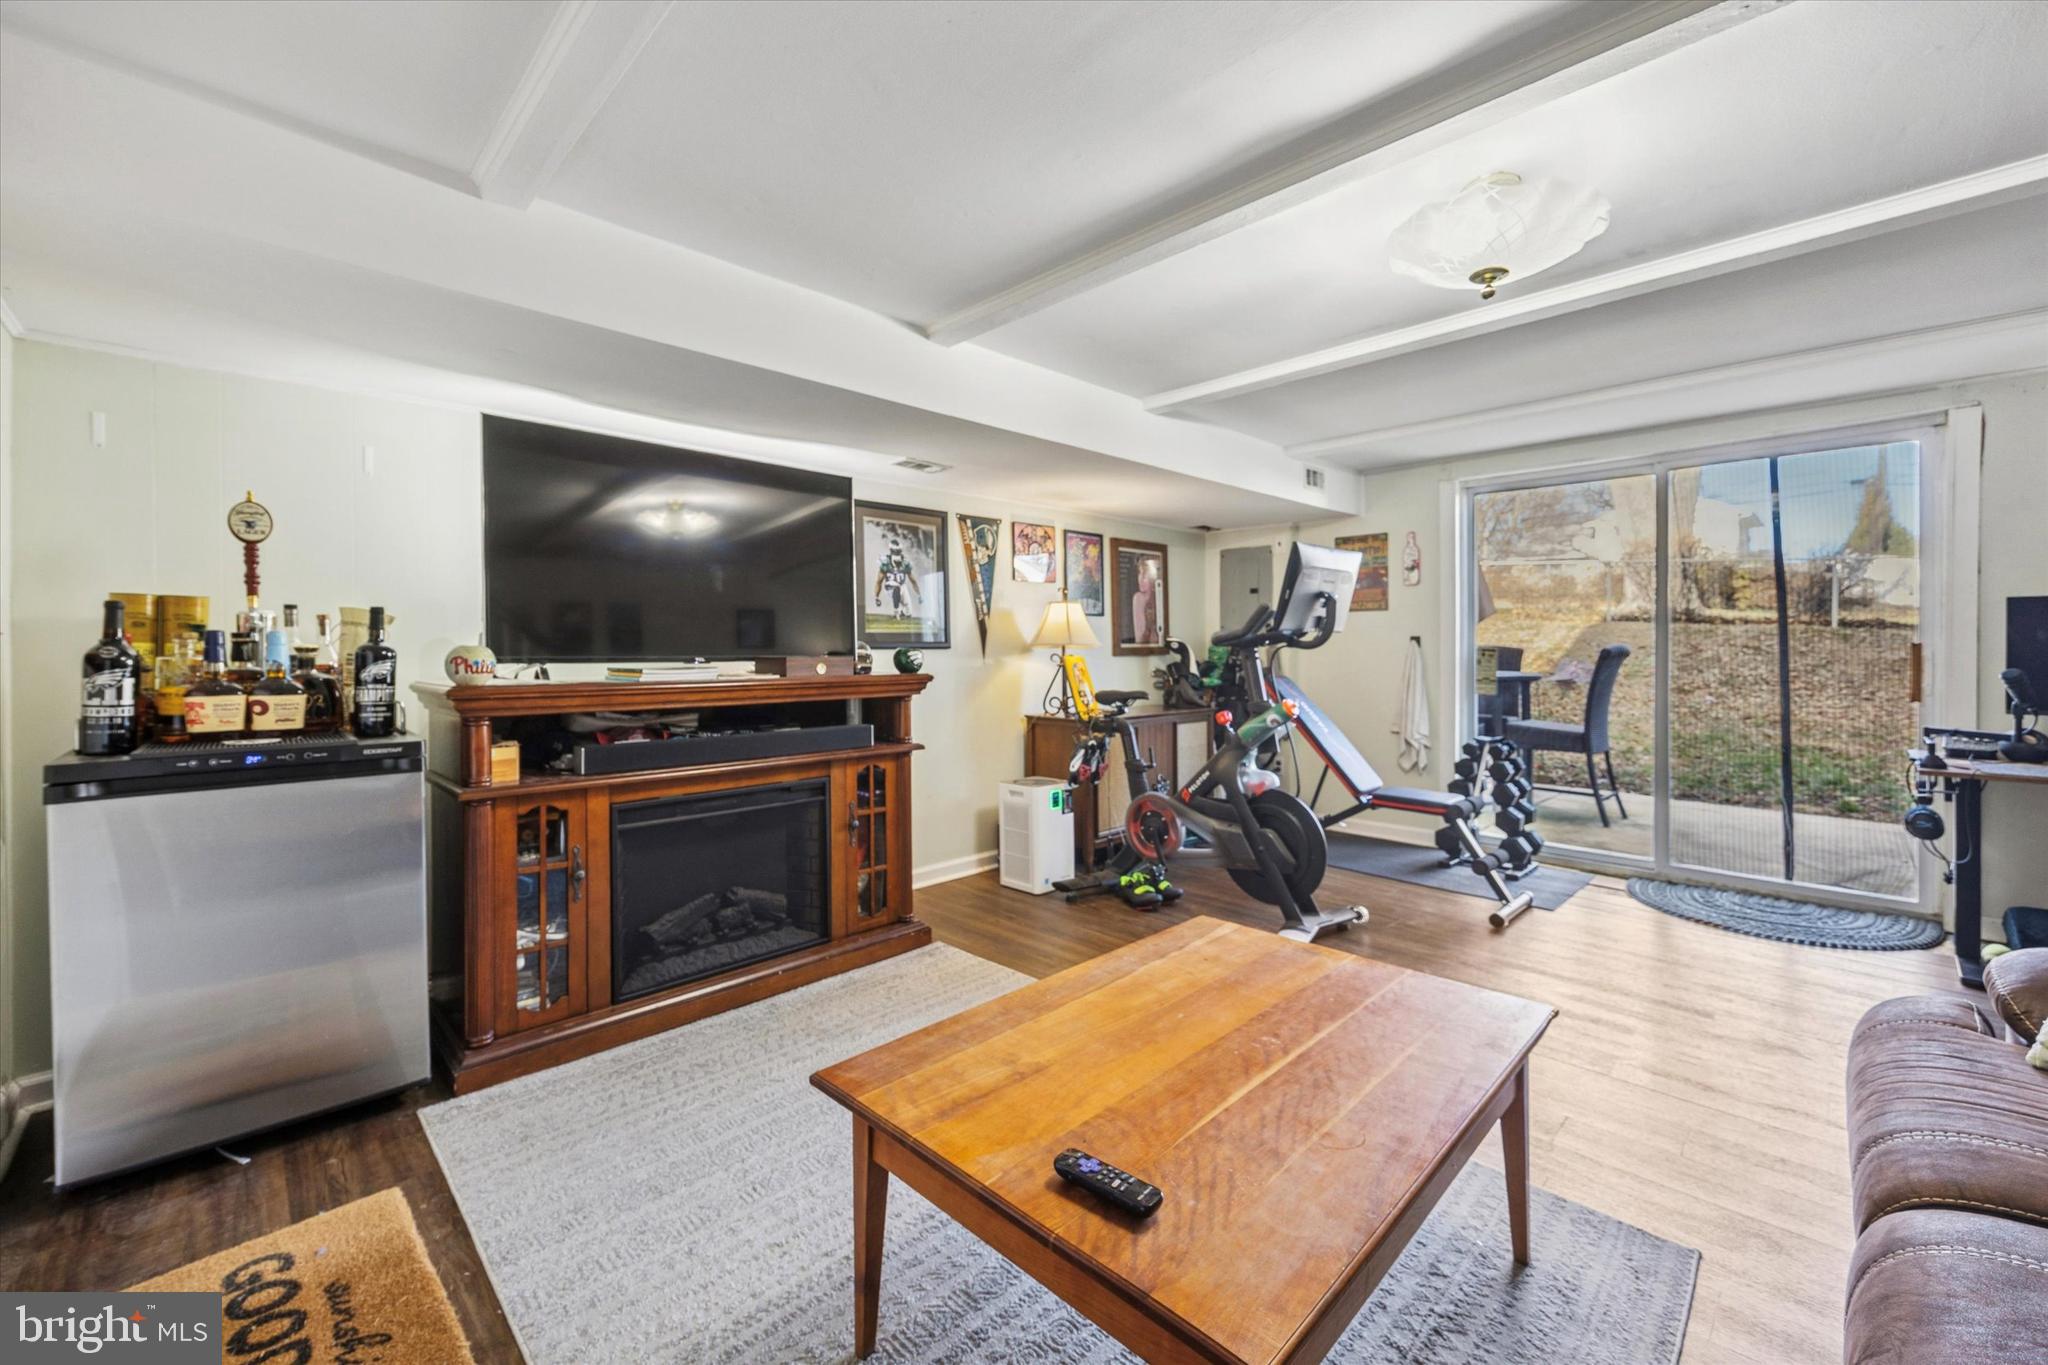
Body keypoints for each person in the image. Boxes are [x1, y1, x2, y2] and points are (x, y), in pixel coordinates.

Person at [873, 538, 921, 620]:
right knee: (896, 587)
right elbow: (879, 581)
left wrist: (919, 594)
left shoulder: (905, 563)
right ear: (891, 550)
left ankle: (903, 612)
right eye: (895, 551)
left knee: (908, 613)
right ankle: (896, 612)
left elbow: (913, 581)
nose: (897, 553)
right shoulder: (885, 562)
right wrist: (876, 597)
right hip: (889, 586)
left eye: (898, 551)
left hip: (902, 586)